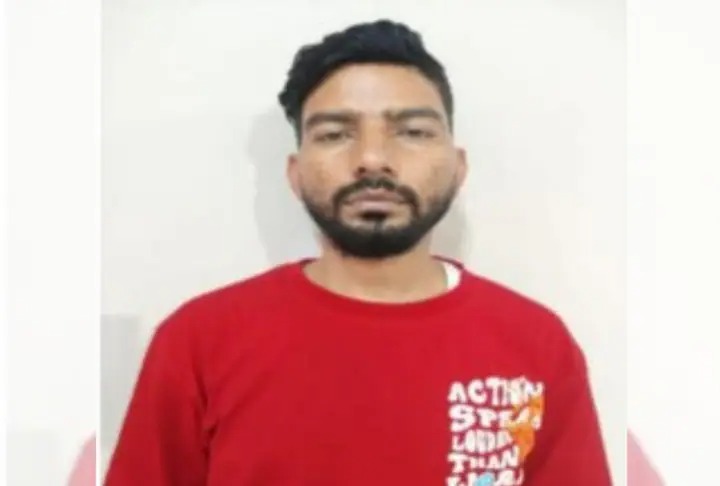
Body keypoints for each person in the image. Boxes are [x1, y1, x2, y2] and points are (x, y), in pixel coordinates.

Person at [105, 19, 612, 485]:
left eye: (412, 132)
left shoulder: (537, 345)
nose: (372, 158)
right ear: (295, 173)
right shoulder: (198, 342)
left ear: (458, 167)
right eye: (335, 134)